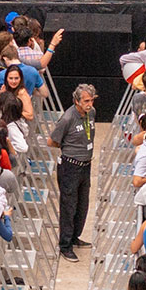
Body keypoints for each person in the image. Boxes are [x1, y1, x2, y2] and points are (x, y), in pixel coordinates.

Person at [49, 85, 97, 261]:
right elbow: (52, 141)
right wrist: (68, 149)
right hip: (70, 165)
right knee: (69, 206)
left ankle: (75, 236)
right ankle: (65, 245)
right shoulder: (67, 118)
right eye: (86, 101)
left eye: (92, 100)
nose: (90, 104)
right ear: (76, 101)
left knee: (82, 204)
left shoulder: (91, 113)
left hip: (86, 165)